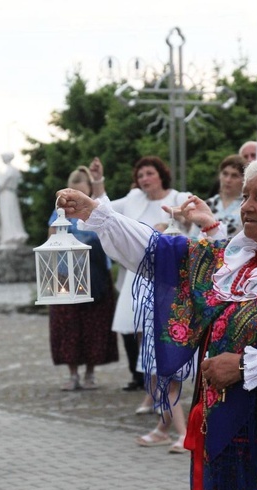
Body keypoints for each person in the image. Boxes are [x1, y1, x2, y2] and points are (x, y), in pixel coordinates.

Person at [56, 155, 257, 490]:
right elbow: (160, 252)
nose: (247, 206)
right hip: (234, 447)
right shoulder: (238, 260)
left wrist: (248, 367)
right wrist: (95, 214)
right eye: (246, 196)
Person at [91, 155, 193, 452]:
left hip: (171, 282)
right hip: (138, 281)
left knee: (165, 351)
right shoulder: (134, 198)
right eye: (141, 175)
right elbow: (104, 209)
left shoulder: (179, 197)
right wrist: (98, 181)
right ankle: (162, 417)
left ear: (161, 175)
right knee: (144, 348)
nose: (145, 179)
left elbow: (192, 226)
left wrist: (173, 222)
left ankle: (171, 424)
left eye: (149, 173)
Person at [48, 166, 118, 391]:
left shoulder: (98, 209)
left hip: (96, 275)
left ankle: (90, 373)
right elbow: (51, 237)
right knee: (68, 325)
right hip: (65, 275)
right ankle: (72, 374)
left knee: (94, 324)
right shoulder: (58, 212)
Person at [205, 154, 245, 238]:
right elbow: (193, 236)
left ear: (243, 179)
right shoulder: (207, 204)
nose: (228, 180)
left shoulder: (246, 205)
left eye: (234, 176)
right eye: (225, 174)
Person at [0, 152, 29, 248]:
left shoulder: (9, 171)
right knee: (12, 215)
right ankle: (11, 236)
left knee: (9, 216)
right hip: (11, 194)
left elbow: (0, 184)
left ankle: (10, 237)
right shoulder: (13, 170)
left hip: (7, 194)